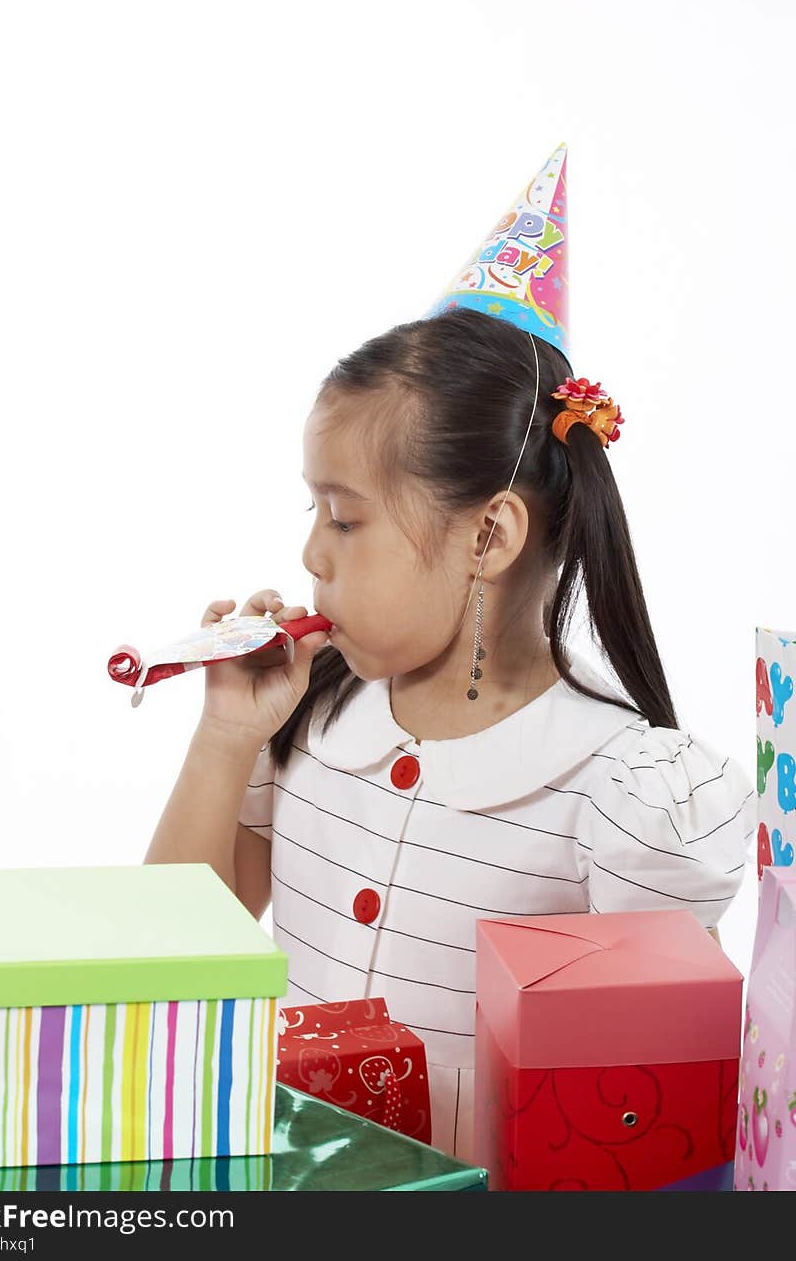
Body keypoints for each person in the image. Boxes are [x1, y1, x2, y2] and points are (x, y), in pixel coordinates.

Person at [146, 151, 757, 1165]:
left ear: (489, 538)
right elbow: (162, 958)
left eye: (344, 519)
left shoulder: (615, 790)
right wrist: (222, 740)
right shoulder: (307, 718)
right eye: (313, 511)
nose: (309, 553)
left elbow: (645, 1116)